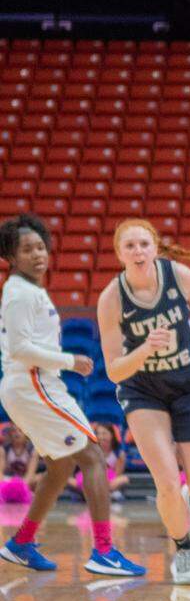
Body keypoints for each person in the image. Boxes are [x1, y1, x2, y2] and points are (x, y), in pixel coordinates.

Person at [95, 217, 190, 585]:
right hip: (142, 389)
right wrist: (144, 348)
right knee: (166, 482)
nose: (138, 251)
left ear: (155, 247)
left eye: (144, 244)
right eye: (130, 246)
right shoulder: (112, 298)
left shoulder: (179, 275)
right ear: (119, 254)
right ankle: (185, 551)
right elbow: (114, 371)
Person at [0, 213, 145, 576]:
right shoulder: (17, 292)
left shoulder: (29, 289)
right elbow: (18, 348)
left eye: (40, 247)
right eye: (27, 249)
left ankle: (21, 542)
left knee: (62, 465)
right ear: (10, 257)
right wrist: (69, 360)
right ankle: (104, 551)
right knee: (94, 456)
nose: (38, 254)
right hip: (33, 383)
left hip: (36, 385)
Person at [68, 423, 130, 501]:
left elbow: (117, 475)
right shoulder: (90, 451)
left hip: (108, 481)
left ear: (112, 435)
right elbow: (86, 470)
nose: (101, 437)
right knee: (69, 480)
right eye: (98, 434)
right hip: (89, 480)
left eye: (104, 433)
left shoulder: (119, 454)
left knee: (124, 479)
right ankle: (102, 495)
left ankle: (93, 495)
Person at [0, 424, 41, 491]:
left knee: (41, 477)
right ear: (10, 434)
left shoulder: (33, 450)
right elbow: (0, 473)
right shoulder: (3, 449)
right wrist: (5, 485)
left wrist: (21, 486)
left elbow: (30, 474)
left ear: (26, 433)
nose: (17, 433)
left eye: (20, 430)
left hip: (26, 479)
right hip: (8, 479)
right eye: (14, 431)